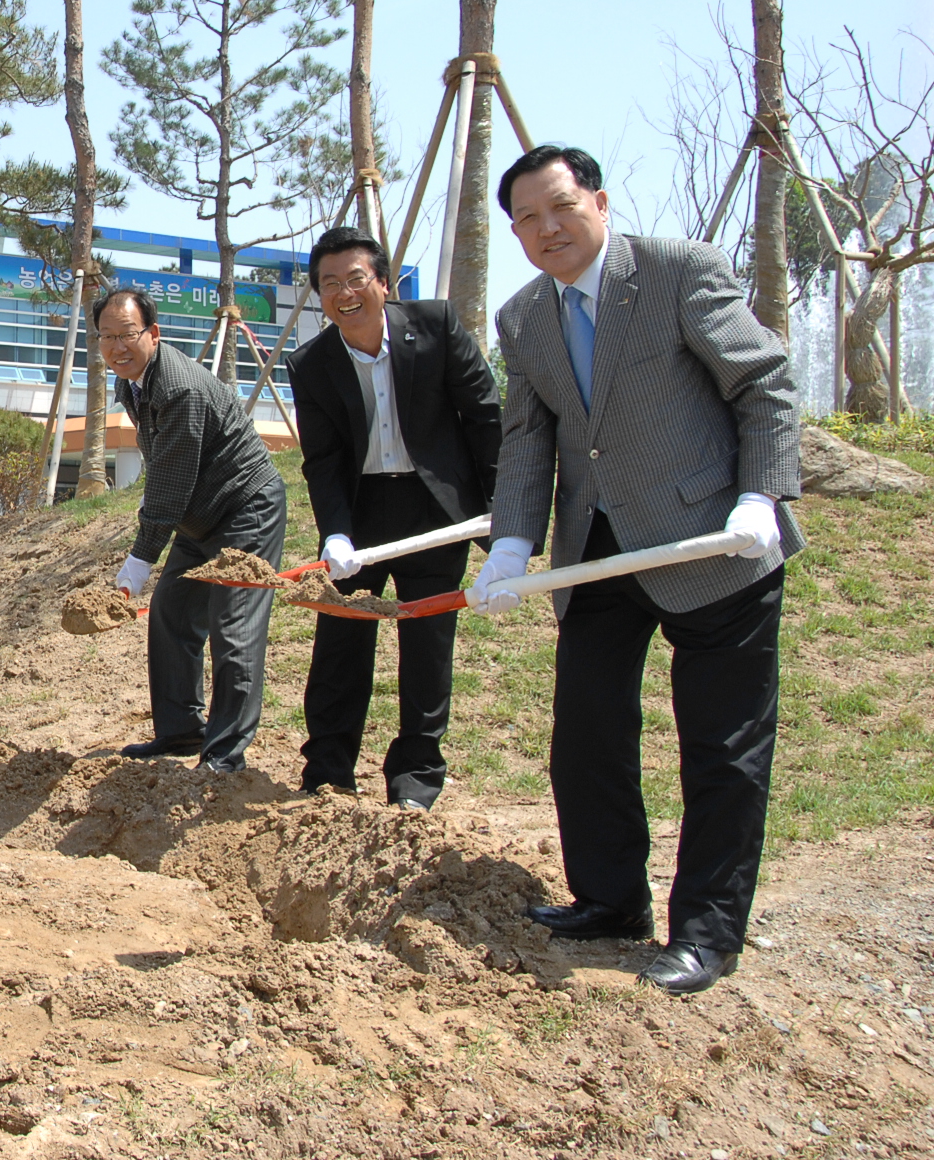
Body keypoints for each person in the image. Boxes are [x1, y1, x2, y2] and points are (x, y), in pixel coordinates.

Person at [475, 144, 801, 995]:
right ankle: (610, 901)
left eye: (561, 207)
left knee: (722, 748)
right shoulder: (523, 317)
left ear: (600, 201)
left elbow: (763, 383)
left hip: (714, 541)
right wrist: (512, 543)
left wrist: (760, 496)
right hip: (599, 548)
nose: (548, 229)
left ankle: (706, 933)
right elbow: (528, 439)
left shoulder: (675, 271)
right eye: (527, 220)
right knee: (587, 733)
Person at [287, 225, 502, 810]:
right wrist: (335, 532)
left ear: (383, 283)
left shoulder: (435, 327)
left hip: (435, 509)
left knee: (427, 642)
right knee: (340, 639)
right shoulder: (311, 364)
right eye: (329, 283)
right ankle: (328, 770)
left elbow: (485, 419)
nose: (345, 292)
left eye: (356, 278)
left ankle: (416, 779)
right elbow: (323, 460)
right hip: (361, 512)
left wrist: (503, 518)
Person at [102, 287, 287, 774]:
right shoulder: (132, 381)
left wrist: (138, 561)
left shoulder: (178, 387)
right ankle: (182, 729)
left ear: (153, 333)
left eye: (127, 334)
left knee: (234, 626)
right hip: (199, 515)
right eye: (106, 337)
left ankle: (224, 754)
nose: (117, 347)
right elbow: (166, 468)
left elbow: (169, 484)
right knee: (172, 611)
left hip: (245, 508)